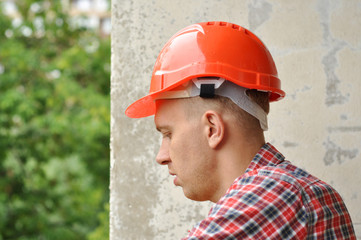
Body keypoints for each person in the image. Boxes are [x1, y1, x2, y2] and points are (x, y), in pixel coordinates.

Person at [125, 21, 356, 239]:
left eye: (168, 134)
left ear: (212, 129)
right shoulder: (292, 192)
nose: (161, 156)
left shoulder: (276, 193)